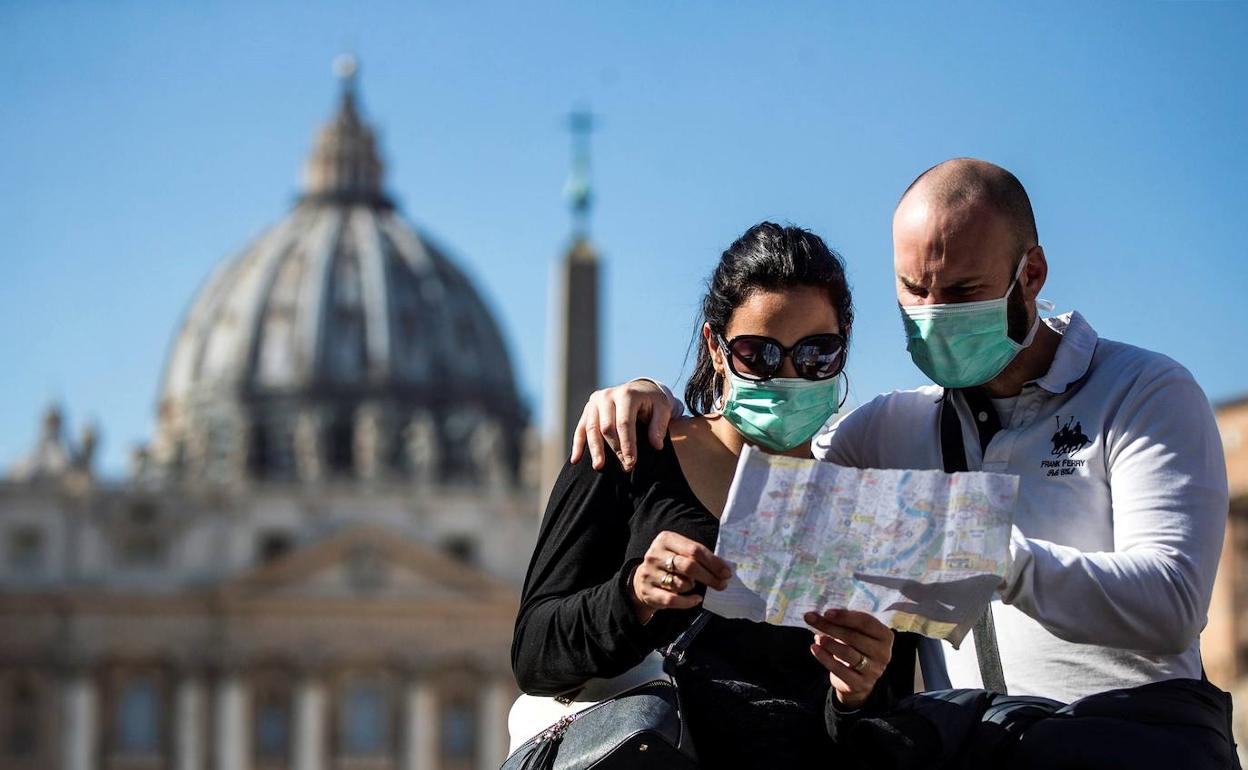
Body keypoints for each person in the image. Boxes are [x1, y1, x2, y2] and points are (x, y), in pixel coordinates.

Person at [570, 159, 1238, 767]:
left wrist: (991, 556)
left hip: (1125, 745)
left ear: (1029, 274)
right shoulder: (890, 428)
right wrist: (651, 396)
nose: (932, 314)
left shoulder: (1143, 390)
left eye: (961, 291)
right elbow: (770, 476)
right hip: (975, 749)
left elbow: (1173, 602)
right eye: (914, 290)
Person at [511, 222, 918, 768]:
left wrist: (860, 693)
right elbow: (535, 654)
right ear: (716, 347)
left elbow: (884, 734)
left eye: (817, 353)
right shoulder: (629, 450)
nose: (788, 375)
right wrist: (633, 596)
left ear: (844, 347)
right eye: (759, 354)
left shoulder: (868, 509)